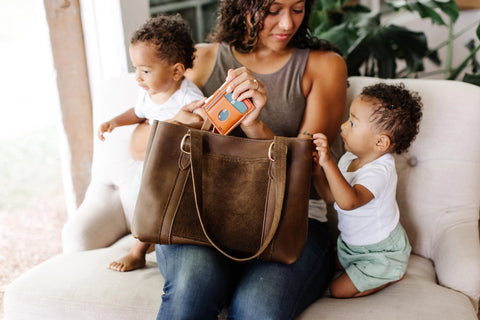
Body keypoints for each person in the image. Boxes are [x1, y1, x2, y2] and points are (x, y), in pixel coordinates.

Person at [129, 0, 348, 318]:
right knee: (191, 291)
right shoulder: (200, 59)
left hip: (290, 221)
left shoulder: (324, 65)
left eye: (298, 9)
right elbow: (136, 146)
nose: (288, 23)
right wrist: (178, 125)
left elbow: (308, 168)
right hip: (199, 215)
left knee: (258, 309)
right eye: (273, 10)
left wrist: (254, 126)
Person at [97, 14, 204, 272]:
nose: (138, 77)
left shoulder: (188, 97)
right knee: (141, 202)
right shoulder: (149, 92)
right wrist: (114, 122)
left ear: (177, 70)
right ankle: (150, 238)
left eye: (145, 70)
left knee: (153, 205)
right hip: (150, 167)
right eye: (136, 69)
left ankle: (136, 252)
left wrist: (189, 121)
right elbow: (138, 112)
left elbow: (203, 125)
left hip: (175, 171)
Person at [312, 82, 423, 298]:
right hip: (352, 245)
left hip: (379, 251)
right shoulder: (349, 158)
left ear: (380, 142)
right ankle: (359, 265)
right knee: (329, 265)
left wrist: (327, 163)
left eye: (353, 123)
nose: (343, 126)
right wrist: (317, 173)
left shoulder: (381, 171)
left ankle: (391, 271)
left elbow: (349, 202)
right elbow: (330, 197)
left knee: (338, 291)